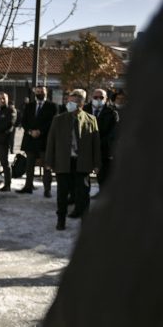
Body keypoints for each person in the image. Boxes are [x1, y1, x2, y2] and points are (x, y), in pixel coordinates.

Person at [44, 89, 101, 230]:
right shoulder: (59, 119)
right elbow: (51, 142)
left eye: (74, 100)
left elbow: (96, 143)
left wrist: (97, 163)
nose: (70, 103)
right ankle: (61, 219)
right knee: (62, 194)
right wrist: (49, 161)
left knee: (83, 194)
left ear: (81, 102)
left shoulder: (91, 119)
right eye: (69, 100)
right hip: (63, 162)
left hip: (82, 163)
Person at [17, 86, 58, 196]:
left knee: (46, 166)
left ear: (46, 93)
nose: (39, 93)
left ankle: (47, 189)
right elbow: (24, 121)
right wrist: (30, 131)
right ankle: (28, 186)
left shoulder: (52, 106)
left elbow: (52, 122)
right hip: (30, 140)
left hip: (44, 141)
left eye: (42, 92)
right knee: (29, 165)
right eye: (38, 91)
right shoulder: (29, 106)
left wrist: (40, 131)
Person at [83, 88, 119, 190]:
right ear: (91, 97)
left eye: (101, 97)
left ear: (106, 99)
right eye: (95, 97)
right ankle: (83, 198)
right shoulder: (84, 110)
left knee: (104, 178)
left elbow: (113, 132)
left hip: (104, 149)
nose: (98, 99)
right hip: (86, 149)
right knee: (83, 177)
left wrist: (98, 143)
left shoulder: (112, 112)